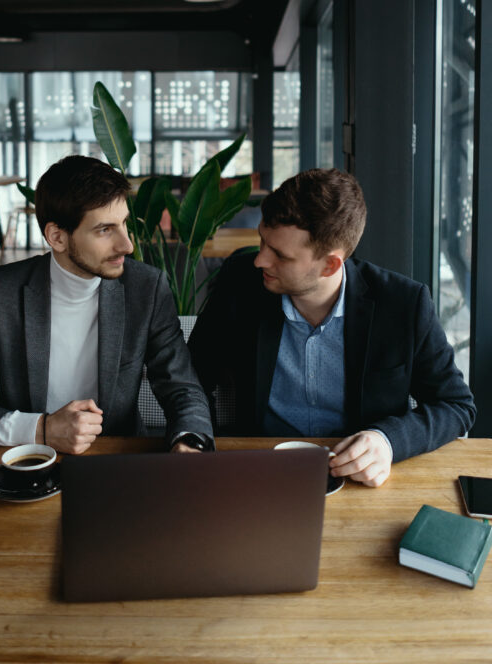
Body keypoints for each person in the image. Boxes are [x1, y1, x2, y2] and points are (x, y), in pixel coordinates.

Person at [188, 167, 475, 487]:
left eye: (280, 255)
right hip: (261, 471)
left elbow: (456, 405)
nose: (260, 260)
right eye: (262, 242)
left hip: (361, 480)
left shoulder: (403, 304)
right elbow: (191, 373)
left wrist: (388, 441)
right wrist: (196, 438)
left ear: (330, 265)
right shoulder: (240, 282)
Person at [0, 155, 213, 455]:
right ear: (57, 237)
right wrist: (40, 429)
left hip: (116, 457)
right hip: (27, 457)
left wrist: (189, 441)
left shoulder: (146, 288)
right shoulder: (2, 291)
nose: (127, 245)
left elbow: (183, 387)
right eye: (104, 230)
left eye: (124, 223)